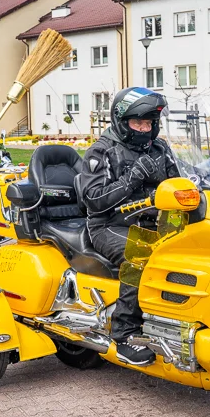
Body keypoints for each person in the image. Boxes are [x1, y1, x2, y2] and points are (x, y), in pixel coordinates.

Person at [78, 87, 179, 365]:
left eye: (149, 123)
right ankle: (124, 333)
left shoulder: (160, 148)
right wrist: (131, 178)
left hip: (156, 222)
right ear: (123, 122)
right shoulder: (102, 151)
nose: (145, 129)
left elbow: (180, 180)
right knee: (142, 255)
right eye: (138, 123)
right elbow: (94, 200)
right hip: (109, 225)